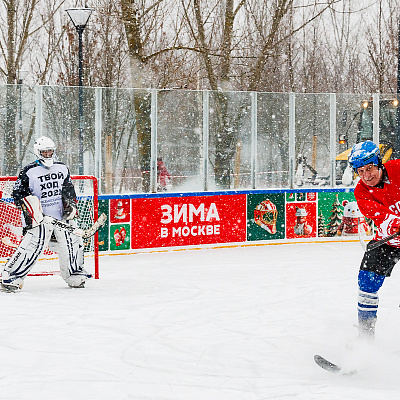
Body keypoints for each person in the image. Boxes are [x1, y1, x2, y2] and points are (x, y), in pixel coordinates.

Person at [1, 136, 90, 292]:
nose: (48, 154)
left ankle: (75, 275)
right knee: (31, 247)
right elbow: (18, 194)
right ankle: (11, 277)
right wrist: (30, 208)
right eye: (44, 152)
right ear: (38, 152)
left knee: (71, 244)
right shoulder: (28, 171)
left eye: (50, 151)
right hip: (39, 219)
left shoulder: (62, 168)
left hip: (61, 217)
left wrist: (71, 205)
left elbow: (68, 189)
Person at [348, 140, 400, 338]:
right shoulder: (361, 192)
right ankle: (365, 340)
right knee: (366, 282)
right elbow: (383, 218)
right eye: (360, 171)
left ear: (379, 163)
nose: (366, 175)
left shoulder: (398, 168)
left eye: (369, 168)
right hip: (388, 241)